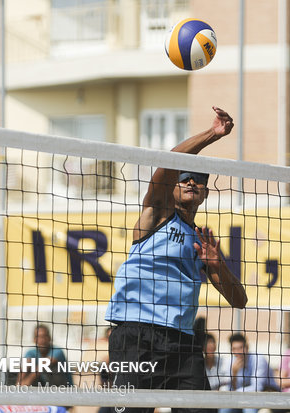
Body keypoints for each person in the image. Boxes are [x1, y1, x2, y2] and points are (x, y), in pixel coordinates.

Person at [105, 106, 248, 413]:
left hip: (182, 343)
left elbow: (239, 301)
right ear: (173, 185)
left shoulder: (203, 241)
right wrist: (212, 134)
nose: (191, 182)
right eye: (184, 177)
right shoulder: (157, 213)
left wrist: (217, 264)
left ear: (206, 193)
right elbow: (167, 164)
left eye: (197, 179)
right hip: (136, 335)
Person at [219, 333, 279, 413]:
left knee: (248, 409)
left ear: (247, 347)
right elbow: (231, 389)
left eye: (241, 348)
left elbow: (258, 388)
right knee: (225, 410)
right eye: (235, 349)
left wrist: (235, 393)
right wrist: (234, 374)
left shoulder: (258, 359)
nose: (238, 352)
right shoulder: (230, 362)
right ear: (231, 350)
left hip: (267, 394)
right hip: (242, 398)